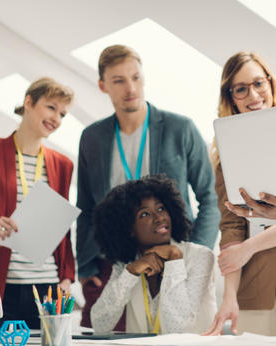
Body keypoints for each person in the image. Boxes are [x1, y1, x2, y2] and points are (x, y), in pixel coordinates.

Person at [76, 44, 220, 327]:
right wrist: (85, 265)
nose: (131, 87)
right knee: (104, 336)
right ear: (103, 85)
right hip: (113, 263)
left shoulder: (181, 128)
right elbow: (86, 207)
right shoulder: (92, 138)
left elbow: (210, 196)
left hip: (173, 258)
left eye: (136, 77)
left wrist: (195, 253)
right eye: (119, 80)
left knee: (176, 334)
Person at [204, 52, 276, 336]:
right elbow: (232, 229)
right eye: (241, 89)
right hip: (258, 285)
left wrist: (249, 248)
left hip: (253, 256)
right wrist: (228, 297)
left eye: (259, 83)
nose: (253, 95)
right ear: (231, 97)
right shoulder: (227, 155)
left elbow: (243, 247)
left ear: (271, 85)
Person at [90, 175, 217, 334]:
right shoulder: (127, 265)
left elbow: (180, 328)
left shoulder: (200, 256)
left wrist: (175, 260)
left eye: (161, 208)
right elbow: (99, 324)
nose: (159, 218)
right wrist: (130, 273)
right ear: (129, 229)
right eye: (145, 214)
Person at [0, 77, 75, 328]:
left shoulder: (63, 165)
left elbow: (62, 228)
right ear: (29, 102)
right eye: (51, 107)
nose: (57, 119)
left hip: (47, 287)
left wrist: (66, 277)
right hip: (4, 285)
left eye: (63, 114)